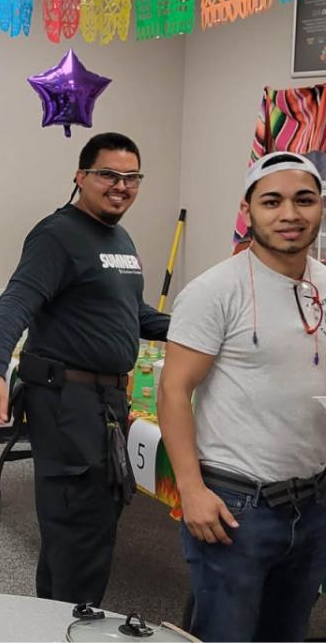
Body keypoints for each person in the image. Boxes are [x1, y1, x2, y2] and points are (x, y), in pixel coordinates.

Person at [0, 132, 169, 605]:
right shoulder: (57, 234)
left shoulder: (118, 237)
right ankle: (71, 626)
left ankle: (57, 622)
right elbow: (15, 302)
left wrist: (200, 326)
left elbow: (133, 311)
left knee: (87, 529)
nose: (120, 186)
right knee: (78, 530)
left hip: (104, 402)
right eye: (108, 175)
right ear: (81, 177)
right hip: (68, 403)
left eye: (132, 177)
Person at [158, 151, 326, 642]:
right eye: (272, 201)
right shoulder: (215, 291)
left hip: (313, 502)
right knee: (225, 636)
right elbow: (173, 390)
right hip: (236, 508)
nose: (290, 214)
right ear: (248, 209)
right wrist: (190, 490)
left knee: (287, 633)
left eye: (304, 200)